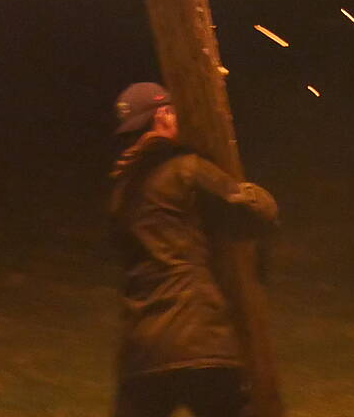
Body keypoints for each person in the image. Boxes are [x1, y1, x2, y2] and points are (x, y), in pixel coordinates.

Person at [107, 82, 278, 417]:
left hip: (141, 348)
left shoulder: (120, 189)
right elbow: (257, 213)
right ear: (163, 115)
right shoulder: (186, 168)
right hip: (201, 340)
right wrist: (251, 191)